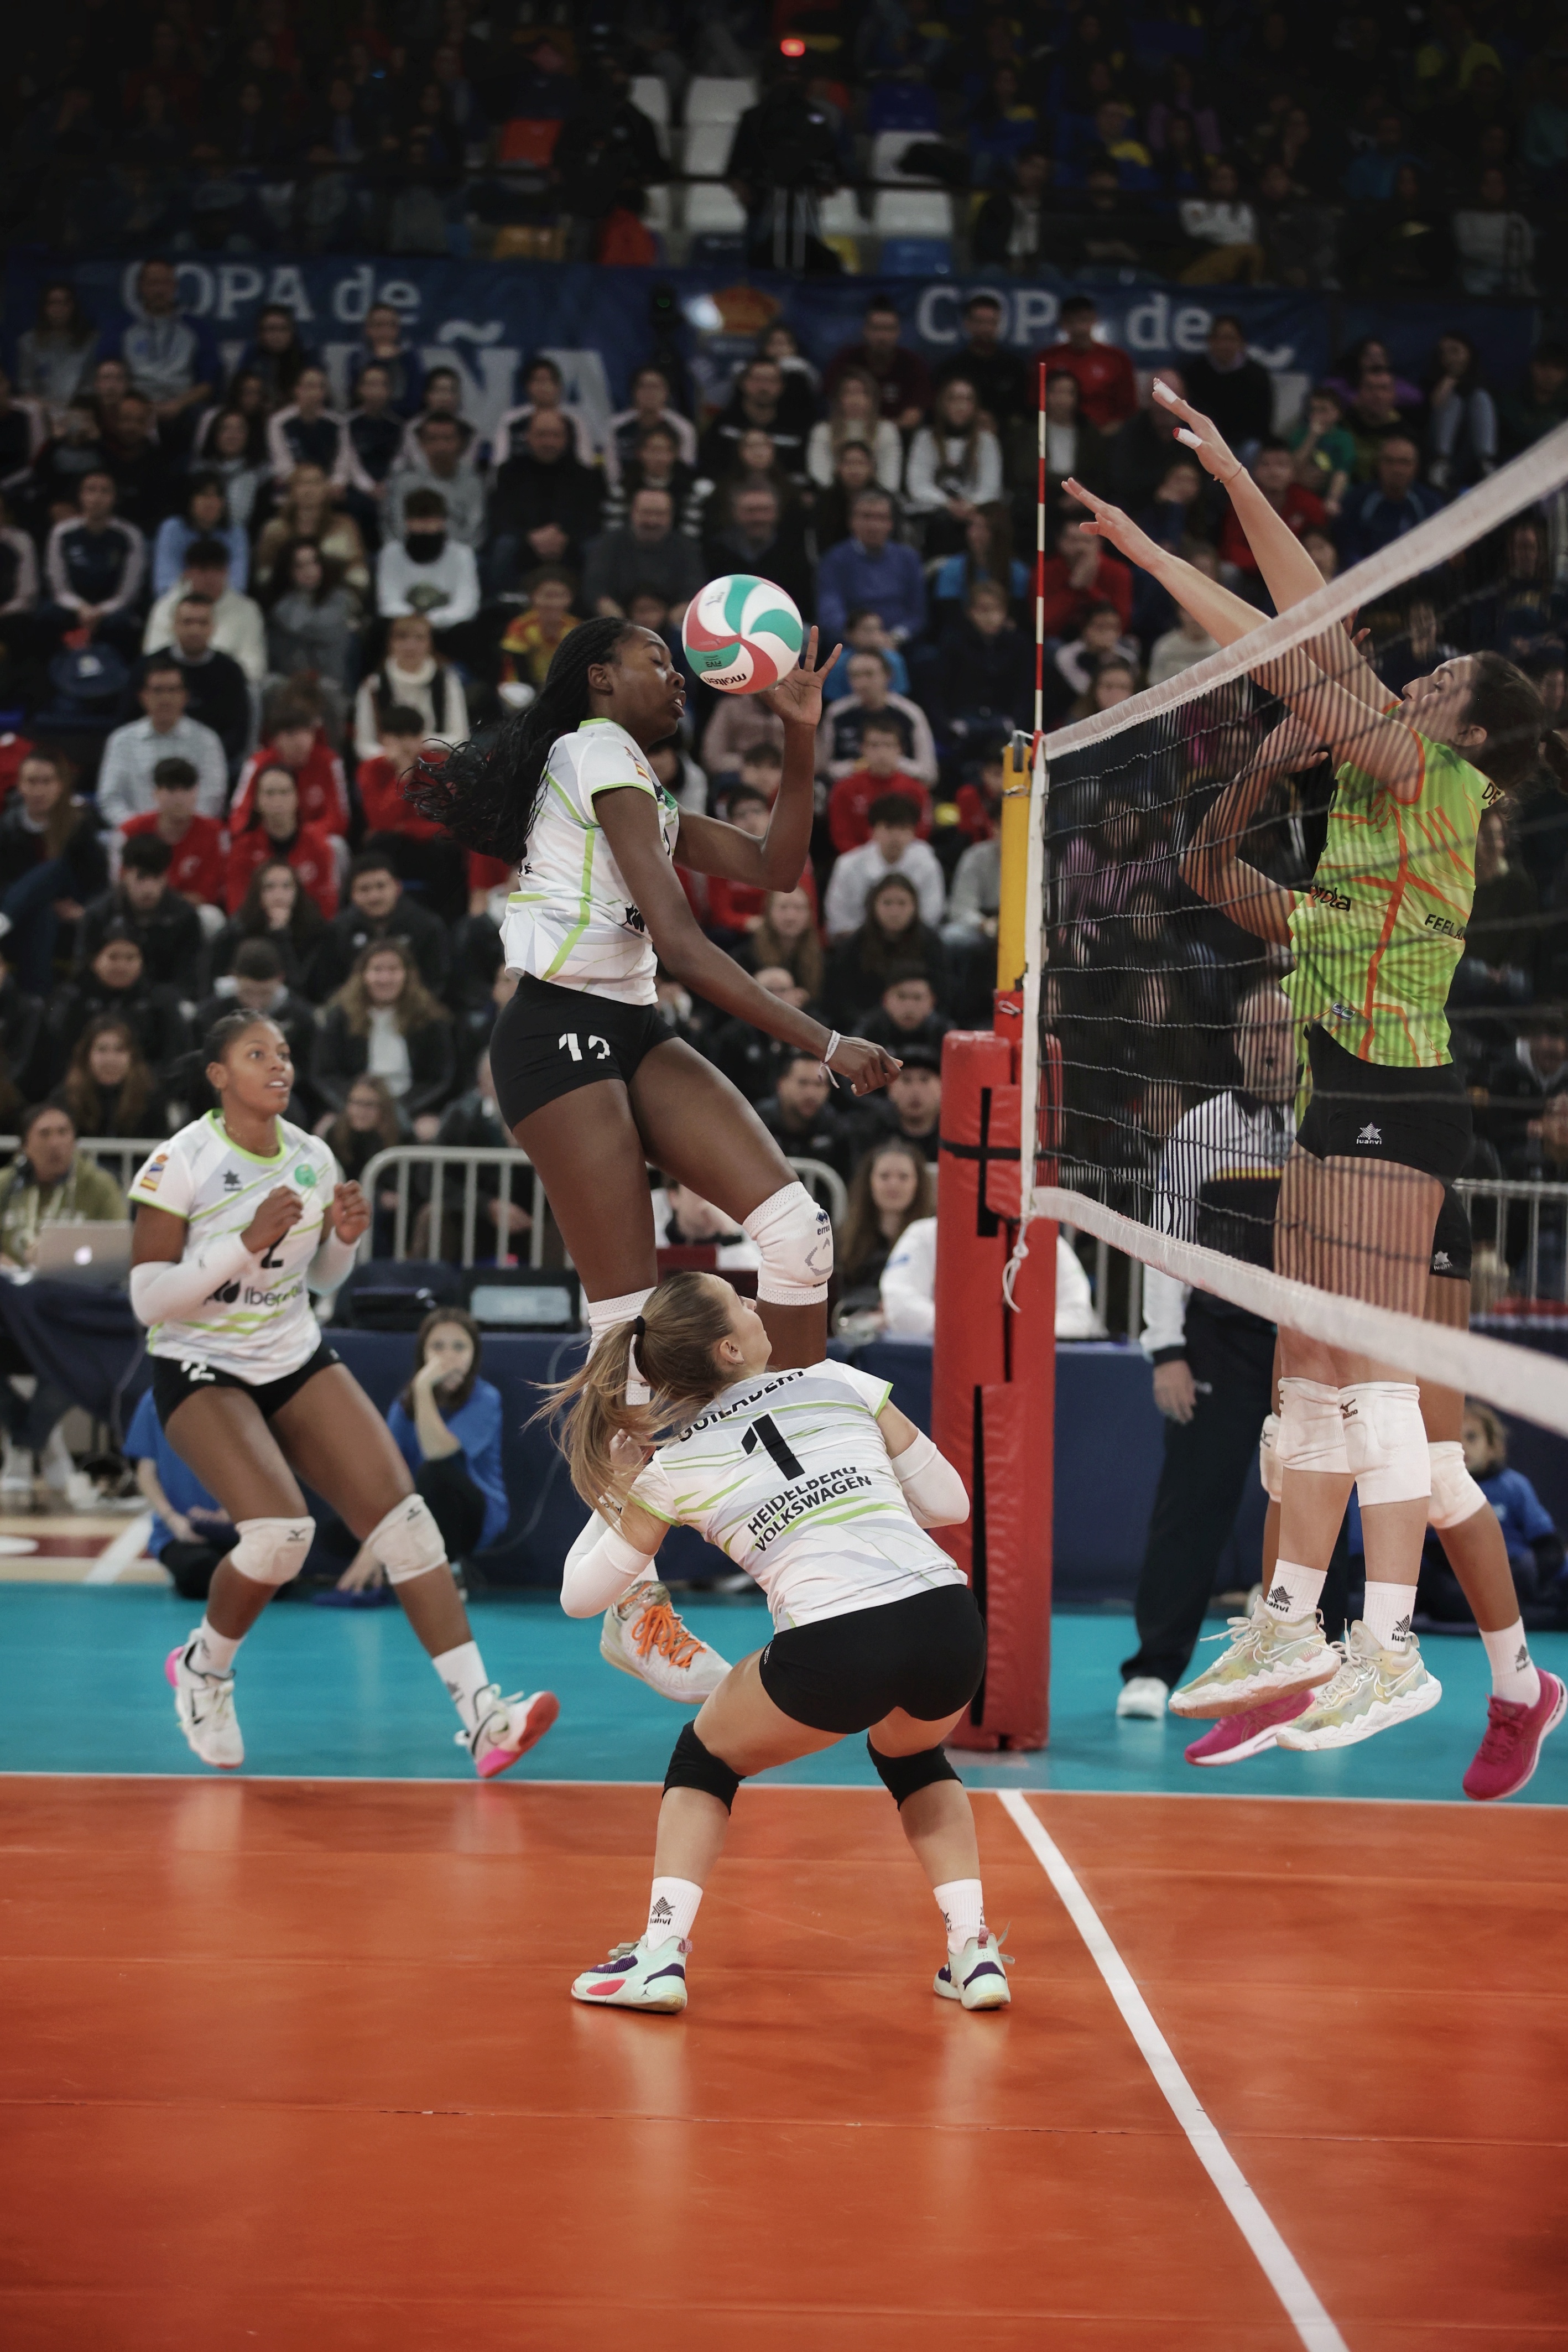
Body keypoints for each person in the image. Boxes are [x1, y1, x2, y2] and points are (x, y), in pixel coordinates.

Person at [1074, 384, 1562, 1758]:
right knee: (1306, 1357)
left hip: (1399, 1101)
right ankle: (1292, 1621)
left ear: (1470, 733)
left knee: (1375, 1380)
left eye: (1442, 684)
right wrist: (1197, 512)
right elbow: (1308, 635)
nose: (1418, 682)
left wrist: (1195, 516)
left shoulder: (1428, 778)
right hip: (1342, 1091)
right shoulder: (1365, 806)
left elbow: (1294, 642)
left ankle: (1391, 1648)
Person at [401, 616, 902, 1699]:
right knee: (622, 1327)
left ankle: (802, 1469)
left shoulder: (642, 782)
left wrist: (800, 732)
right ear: (599, 677)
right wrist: (823, 1041)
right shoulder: (596, 752)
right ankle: (635, 1609)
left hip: (628, 1025)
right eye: (657, 663)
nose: (678, 678)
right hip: (554, 1031)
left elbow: (775, 867)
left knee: (797, 1231)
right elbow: (680, 943)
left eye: (678, 665)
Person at [554, 1273, 1006, 2014]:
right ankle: (972, 1950)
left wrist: (621, 1488)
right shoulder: (840, 1381)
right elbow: (950, 1502)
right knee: (914, 1756)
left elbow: (580, 1598)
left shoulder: (673, 1465)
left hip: (836, 1640)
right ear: (730, 1349)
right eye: (740, 1302)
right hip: (948, 1620)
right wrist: (851, 1494)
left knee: (703, 1759)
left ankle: (659, 1955)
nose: (756, 1305)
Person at [129, 1012, 557, 1775]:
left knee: (409, 1529)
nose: (278, 1064)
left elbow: (322, 1279)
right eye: (256, 1054)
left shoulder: (312, 1156)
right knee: (278, 1538)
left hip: (291, 1352)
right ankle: (203, 1670)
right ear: (219, 1076)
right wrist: (243, 1242)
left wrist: (343, 1242)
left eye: (284, 1052)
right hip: (199, 1361)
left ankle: (483, 1720)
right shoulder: (182, 1160)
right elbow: (147, 1299)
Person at [1116, 982, 1298, 1719]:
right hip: (1219, 1342)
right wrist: (1166, 1349)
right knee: (1191, 1508)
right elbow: (1166, 1247)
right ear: (1236, 1042)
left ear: (1301, 1040)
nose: (1268, 1043)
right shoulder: (1198, 1130)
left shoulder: (1326, 1128)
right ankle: (1153, 1669)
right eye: (1255, 1031)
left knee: (1316, 1506)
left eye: (1281, 1030)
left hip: (1307, 1348)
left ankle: (1321, 1664)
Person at [0, 1101, 128, 1504]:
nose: (56, 1143)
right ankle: (34, 1439)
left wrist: (59, 1264)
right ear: (25, 1146)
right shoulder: (6, 1185)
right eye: (45, 1134)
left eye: (64, 1132)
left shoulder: (97, 1185)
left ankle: (24, 1446)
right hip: (11, 1309)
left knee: (72, 1356)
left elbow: (118, 1248)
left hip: (71, 1311)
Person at [334, 1310, 508, 1593]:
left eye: (459, 1347)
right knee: (339, 1531)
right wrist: (372, 1543)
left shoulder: (485, 1398)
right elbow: (388, 1473)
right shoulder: (404, 1404)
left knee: (435, 1472)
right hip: (417, 1509)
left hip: (472, 1518)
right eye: (438, 1347)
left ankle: (451, 1572)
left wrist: (424, 1388)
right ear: (423, 1353)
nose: (448, 1357)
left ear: (474, 1354)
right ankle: (392, 1569)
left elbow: (436, 1451)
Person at [311, 938, 455, 1135]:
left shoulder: (429, 1019)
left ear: (407, 975)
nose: (385, 979)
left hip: (410, 1107)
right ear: (363, 975)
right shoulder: (340, 1017)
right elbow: (326, 1074)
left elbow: (439, 1078)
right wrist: (356, 1104)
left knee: (428, 1131)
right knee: (325, 1129)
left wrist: (400, 1108)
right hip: (355, 1104)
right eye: (377, 970)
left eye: (393, 970)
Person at [0, 746, 110, 993]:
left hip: (71, 921)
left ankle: (4, 919)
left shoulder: (80, 825)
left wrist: (84, 912)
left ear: (60, 786)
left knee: (57, 869)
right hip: (27, 921)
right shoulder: (6, 827)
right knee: (43, 913)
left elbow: (100, 883)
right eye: (32, 782)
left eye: (47, 781)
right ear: (20, 786)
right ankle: (37, 1000)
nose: (39, 790)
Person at [124, 1386, 236, 1602]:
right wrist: (172, 1519)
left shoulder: (236, 1396)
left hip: (239, 1526)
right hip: (179, 1532)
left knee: (275, 1580)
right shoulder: (154, 1401)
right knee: (199, 1572)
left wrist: (235, 1511)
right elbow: (146, 1472)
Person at [96, 658, 228, 828]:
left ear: (185, 696)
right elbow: (110, 798)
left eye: (173, 690)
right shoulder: (122, 741)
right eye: (157, 690)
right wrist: (138, 828)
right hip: (137, 836)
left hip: (191, 834)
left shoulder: (206, 740)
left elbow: (213, 796)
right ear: (143, 696)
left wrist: (182, 829)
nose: (165, 698)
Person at [308, 849, 451, 999]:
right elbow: (327, 985)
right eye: (364, 889)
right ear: (352, 895)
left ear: (397, 887)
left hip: (414, 1008)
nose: (374, 897)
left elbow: (437, 982)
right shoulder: (338, 931)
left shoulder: (426, 926)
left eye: (381, 886)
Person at [77, 832, 204, 996]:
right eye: (141, 878)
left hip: (164, 1002)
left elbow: (189, 979)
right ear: (125, 875)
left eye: (156, 878)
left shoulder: (184, 917)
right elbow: (83, 973)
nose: (149, 889)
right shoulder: (99, 915)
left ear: (166, 877)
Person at [142, 592, 252, 774]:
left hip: (213, 762)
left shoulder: (231, 671)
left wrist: (207, 758)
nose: (195, 630)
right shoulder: (148, 667)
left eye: (202, 623)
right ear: (174, 626)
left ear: (213, 627)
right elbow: (130, 721)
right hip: (152, 759)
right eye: (188, 622)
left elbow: (238, 731)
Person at [43, 470, 147, 657]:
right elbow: (58, 586)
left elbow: (129, 591)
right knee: (47, 616)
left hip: (113, 609)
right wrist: (81, 608)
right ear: (80, 496)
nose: (97, 498)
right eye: (90, 490)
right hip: (73, 607)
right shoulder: (62, 533)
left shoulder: (130, 535)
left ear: (115, 498)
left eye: (105, 491)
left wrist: (100, 611)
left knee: (123, 624)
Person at [143, 538, 266, 687]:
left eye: (217, 569)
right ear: (188, 573)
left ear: (227, 572)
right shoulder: (165, 608)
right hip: (174, 690)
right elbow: (154, 659)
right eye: (203, 570)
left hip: (227, 689)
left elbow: (254, 668)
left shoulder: (248, 610)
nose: (210, 577)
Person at [824, 796, 946, 941]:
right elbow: (839, 917)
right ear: (873, 831)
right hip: (859, 942)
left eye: (903, 829)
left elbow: (931, 914)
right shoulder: (848, 865)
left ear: (914, 832)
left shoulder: (927, 864)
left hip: (913, 942)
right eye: (888, 828)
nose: (896, 837)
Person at [225, 765, 339, 921]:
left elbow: (326, 904)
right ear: (257, 801)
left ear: (297, 798)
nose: (278, 800)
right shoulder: (243, 848)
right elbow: (237, 905)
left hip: (306, 927)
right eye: (270, 793)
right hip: (257, 927)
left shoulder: (318, 844)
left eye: (285, 792)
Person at [837, 1137, 935, 1315]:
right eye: (884, 1176)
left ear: (918, 1184)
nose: (893, 1185)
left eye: (903, 1177)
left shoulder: (932, 1237)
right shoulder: (844, 1239)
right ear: (869, 1182)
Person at [816, 491, 926, 647]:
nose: (874, 525)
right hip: (851, 644)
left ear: (891, 524)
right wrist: (858, 635)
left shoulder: (909, 559)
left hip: (900, 644)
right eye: (866, 517)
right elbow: (829, 611)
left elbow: (918, 615)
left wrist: (895, 637)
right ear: (852, 521)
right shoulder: (835, 560)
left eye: (881, 518)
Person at [581, 486, 704, 624]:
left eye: (660, 514)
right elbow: (595, 590)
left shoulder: (687, 549)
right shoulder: (607, 545)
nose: (652, 521)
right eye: (646, 513)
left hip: (671, 626)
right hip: (618, 624)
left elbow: (695, 591)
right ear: (633, 512)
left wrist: (670, 623)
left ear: (671, 516)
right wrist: (619, 623)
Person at [208, 859, 327, 995]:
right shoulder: (240, 926)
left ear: (297, 892)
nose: (279, 895)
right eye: (270, 887)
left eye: (287, 886)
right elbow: (215, 973)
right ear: (258, 893)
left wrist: (281, 934)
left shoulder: (312, 928)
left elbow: (299, 986)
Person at [263, 540, 360, 704]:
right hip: (293, 687)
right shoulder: (282, 607)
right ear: (288, 571)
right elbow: (306, 626)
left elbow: (329, 631)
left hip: (337, 684)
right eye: (300, 566)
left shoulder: (341, 599)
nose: (309, 571)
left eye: (314, 563)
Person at [376, 486, 480, 637]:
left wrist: (430, 621)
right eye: (419, 519)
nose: (425, 526)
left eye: (431, 520)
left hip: (448, 630)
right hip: (404, 630)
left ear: (443, 521)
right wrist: (416, 624)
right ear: (407, 522)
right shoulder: (391, 554)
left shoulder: (462, 554)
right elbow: (389, 603)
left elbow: (466, 606)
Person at [824, 296, 932, 434]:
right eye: (876, 329)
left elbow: (912, 418)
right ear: (865, 330)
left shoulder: (913, 364)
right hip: (848, 435)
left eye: (889, 329)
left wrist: (882, 431)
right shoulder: (845, 361)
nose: (882, 336)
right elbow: (834, 409)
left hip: (899, 438)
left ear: (898, 332)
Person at [1039, 296, 1137, 434]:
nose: (1079, 328)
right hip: (1055, 434)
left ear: (1094, 320)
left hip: (1106, 436)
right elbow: (1035, 405)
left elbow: (1128, 410)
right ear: (1063, 324)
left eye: (1084, 320)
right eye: (1072, 321)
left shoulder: (1117, 359)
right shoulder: (1047, 359)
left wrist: (1103, 435)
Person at [805, 368, 903, 498]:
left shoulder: (887, 430)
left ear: (873, 399)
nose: (855, 400)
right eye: (849, 393)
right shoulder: (822, 431)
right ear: (838, 399)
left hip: (876, 499)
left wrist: (874, 500)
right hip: (833, 499)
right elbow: (820, 477)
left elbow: (890, 478)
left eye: (862, 393)